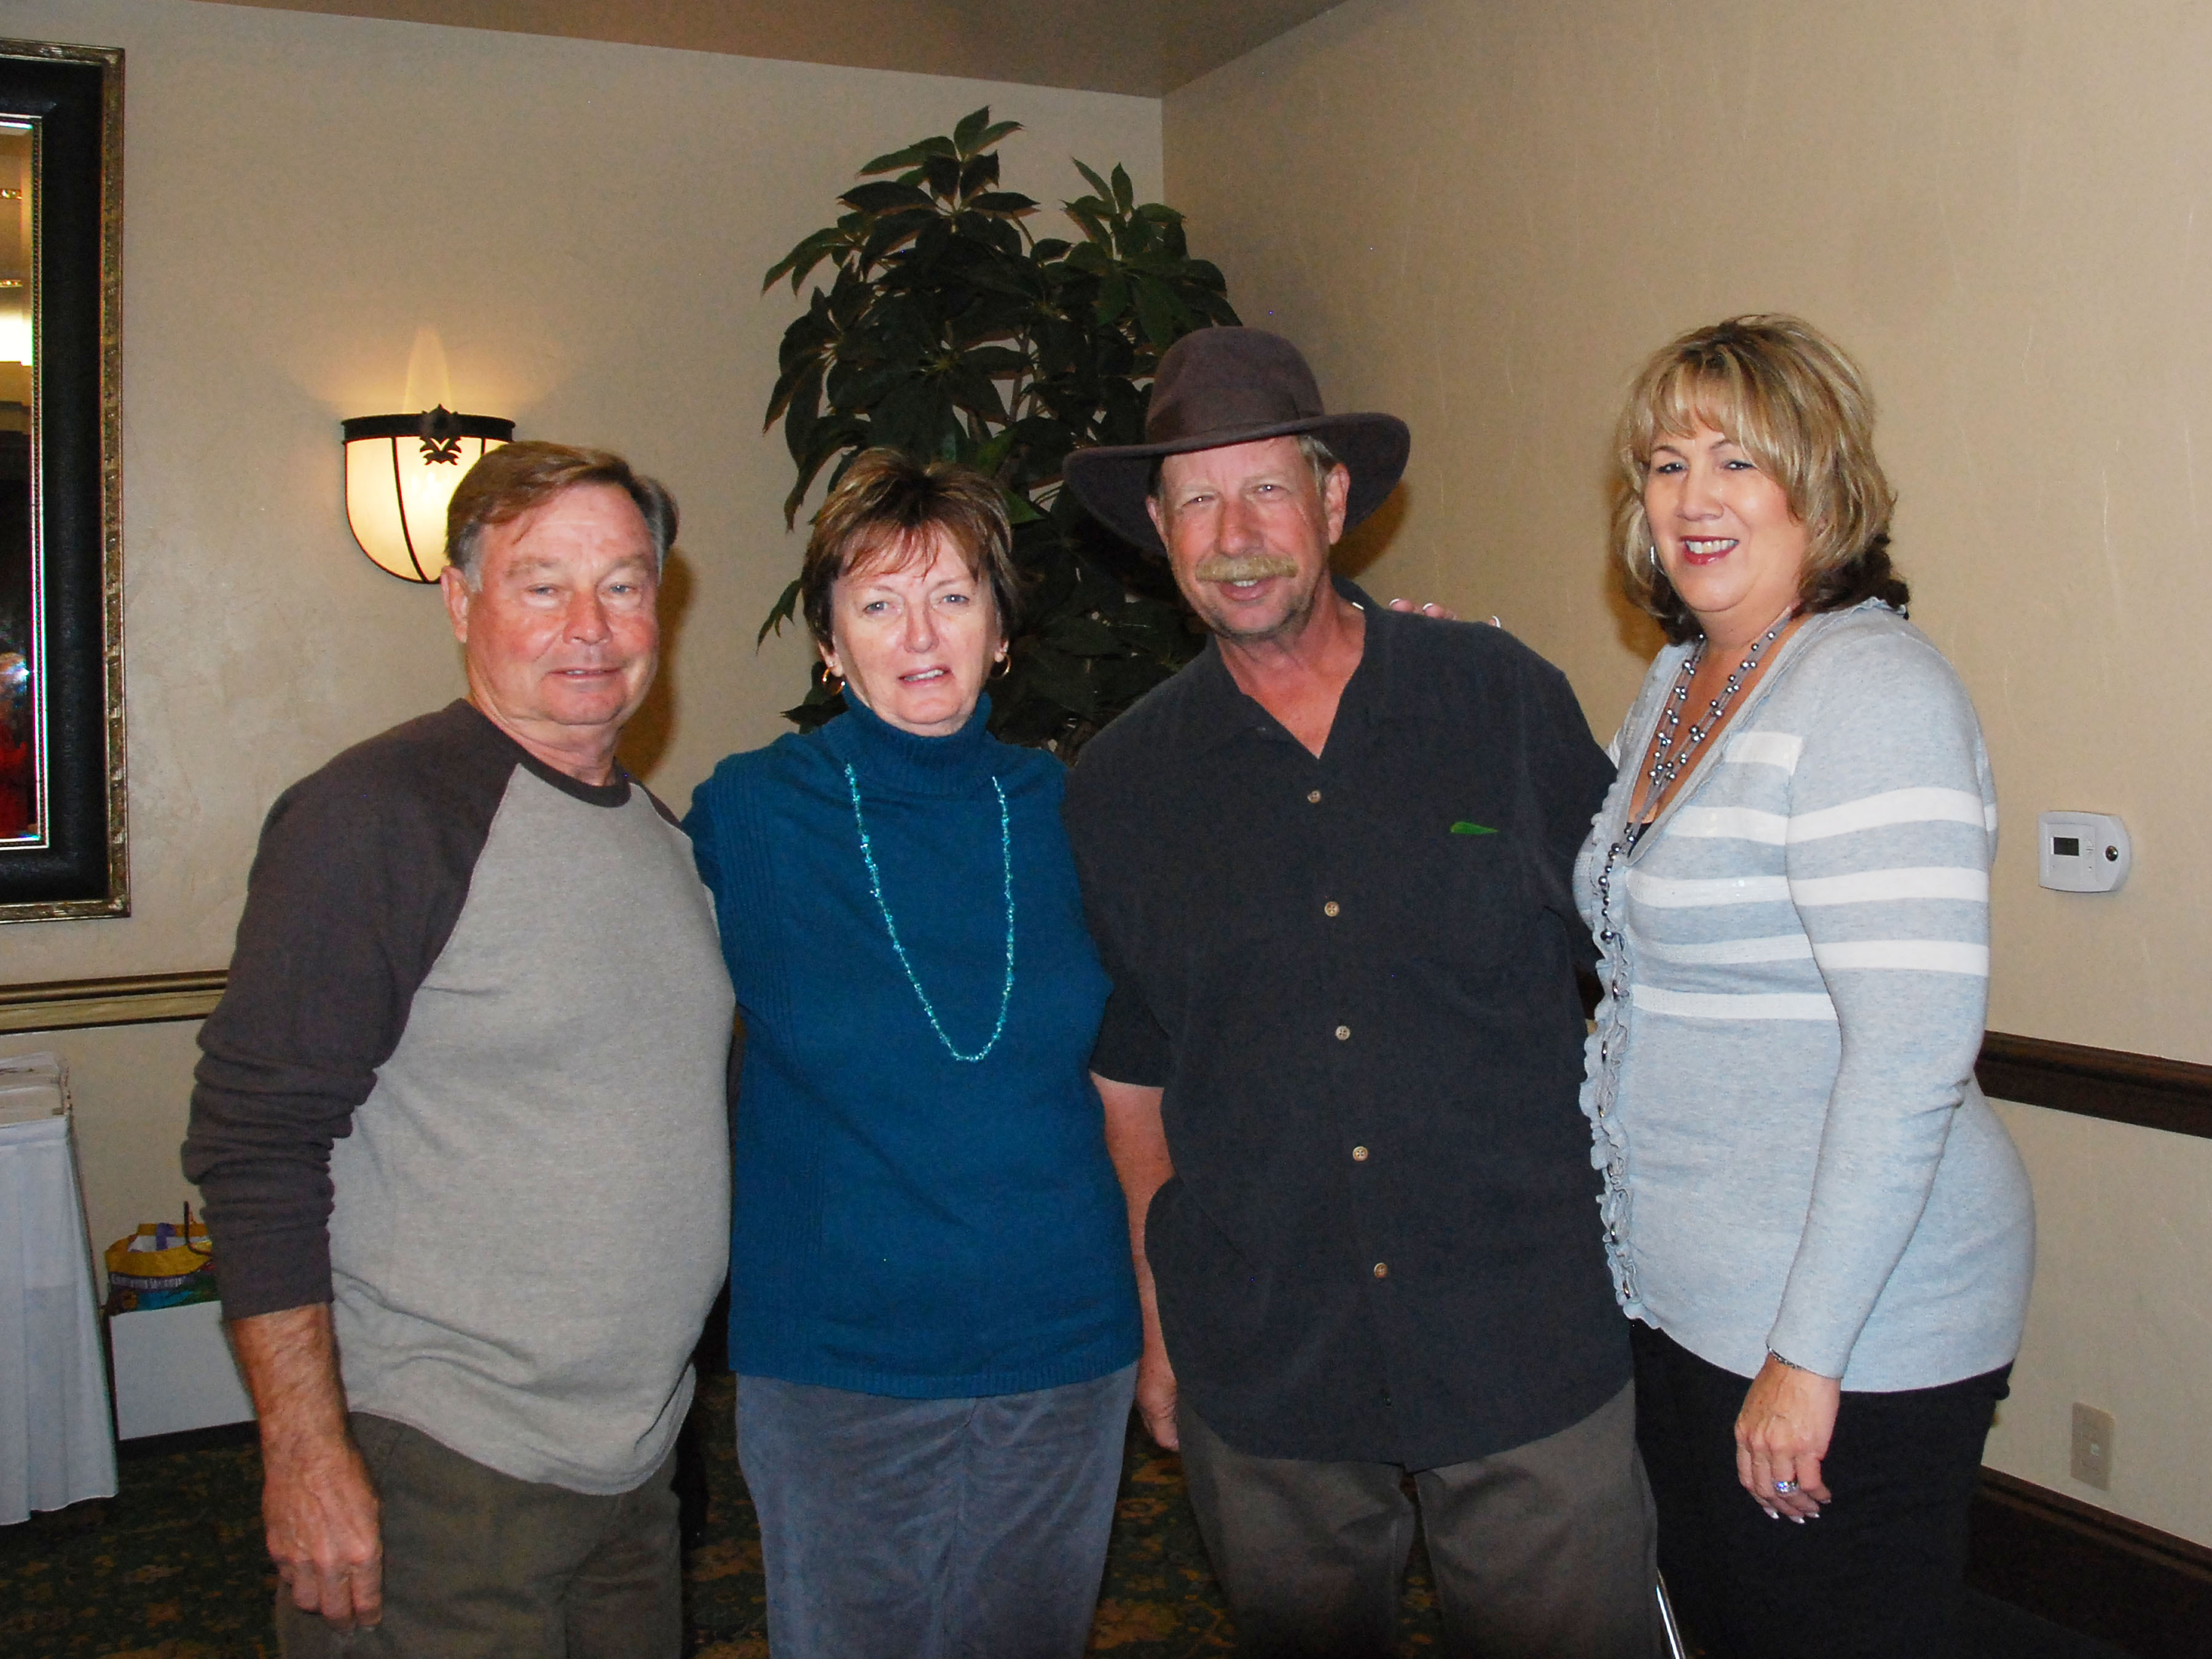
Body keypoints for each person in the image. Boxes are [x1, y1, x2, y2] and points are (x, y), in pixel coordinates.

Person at [1059, 326, 1660, 1658]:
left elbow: (1642, 968)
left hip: (1523, 1346)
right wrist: (1165, 1338)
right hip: (1269, 1371)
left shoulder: (1495, 699)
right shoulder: (1120, 785)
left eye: (1268, 487)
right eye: (1197, 499)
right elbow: (1137, 1081)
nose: (1237, 532)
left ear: (1335, 504)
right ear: (1158, 531)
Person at [183, 442, 734, 1659]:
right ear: (461, 600)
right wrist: (305, 1453)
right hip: (442, 1476)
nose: (591, 626)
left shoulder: (657, 836)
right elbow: (255, 1147)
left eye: (625, 584)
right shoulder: (380, 815)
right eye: (544, 585)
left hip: (632, 1469)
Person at [1576, 314, 2035, 1657]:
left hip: (1852, 1328)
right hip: (1690, 1298)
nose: (1695, 498)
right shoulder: (1679, 684)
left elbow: (1911, 1057)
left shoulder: (1869, 689)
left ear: (1820, 486)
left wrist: (1807, 1356)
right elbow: (1623, 936)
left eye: (1738, 460)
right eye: (1667, 464)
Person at [681, 449, 1139, 1659]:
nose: (919, 632)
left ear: (1001, 630)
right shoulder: (749, 815)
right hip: (838, 1360)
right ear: (828, 644)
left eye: (953, 596)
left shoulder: (1077, 812)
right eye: (877, 603)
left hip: (1061, 1346)